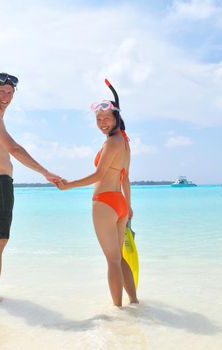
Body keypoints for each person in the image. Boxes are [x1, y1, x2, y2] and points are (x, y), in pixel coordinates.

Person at [0, 66, 61, 302]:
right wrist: (45, 172)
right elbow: (14, 149)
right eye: (1, 91)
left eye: (10, 92)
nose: (5, 96)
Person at [56, 79, 138, 306]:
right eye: (98, 119)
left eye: (106, 118)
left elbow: (99, 175)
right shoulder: (124, 142)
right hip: (119, 203)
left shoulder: (112, 143)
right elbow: (126, 177)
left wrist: (68, 185)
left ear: (116, 119)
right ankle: (134, 302)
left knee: (112, 261)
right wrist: (128, 206)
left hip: (104, 203)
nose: (102, 123)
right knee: (118, 258)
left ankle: (118, 312)